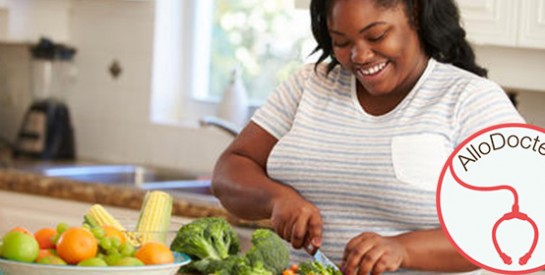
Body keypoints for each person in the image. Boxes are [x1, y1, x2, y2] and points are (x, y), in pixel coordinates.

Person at [211, 0, 524, 274]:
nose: (359, 56)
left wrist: (403, 250)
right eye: (341, 41)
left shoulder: (470, 99)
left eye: (376, 36)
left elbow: (517, 219)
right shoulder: (309, 84)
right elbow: (230, 170)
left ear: (414, 12)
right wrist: (276, 199)